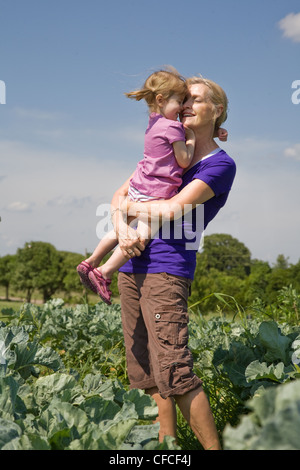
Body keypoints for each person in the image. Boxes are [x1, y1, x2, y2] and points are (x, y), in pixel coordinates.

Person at [109, 75, 236, 450]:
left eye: (196, 100)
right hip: (131, 264)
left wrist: (126, 208)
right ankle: (167, 450)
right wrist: (121, 226)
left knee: (175, 371)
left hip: (166, 268)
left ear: (218, 111)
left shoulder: (218, 165)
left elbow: (171, 209)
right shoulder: (167, 149)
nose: (186, 105)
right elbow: (118, 193)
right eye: (184, 100)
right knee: (145, 370)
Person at [77, 68, 196, 304]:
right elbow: (183, 160)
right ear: (161, 100)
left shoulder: (154, 122)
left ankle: (90, 261)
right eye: (179, 102)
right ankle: (104, 272)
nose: (182, 107)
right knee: (140, 237)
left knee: (121, 229)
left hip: (139, 187)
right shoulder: (172, 127)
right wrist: (190, 140)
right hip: (156, 193)